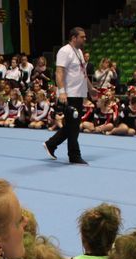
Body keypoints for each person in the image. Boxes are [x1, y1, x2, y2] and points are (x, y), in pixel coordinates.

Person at [43, 27, 96, 165]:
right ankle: (74, 155)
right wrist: (62, 92)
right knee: (74, 127)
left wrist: (90, 89)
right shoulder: (64, 51)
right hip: (69, 94)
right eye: (82, 37)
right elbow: (59, 72)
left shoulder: (79, 52)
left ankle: (51, 144)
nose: (85, 39)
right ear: (73, 38)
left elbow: (83, 73)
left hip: (79, 94)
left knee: (73, 125)